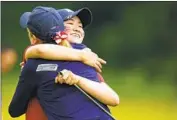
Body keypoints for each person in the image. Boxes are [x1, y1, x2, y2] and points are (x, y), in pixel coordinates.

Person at [9, 6, 119, 120]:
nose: (76, 28)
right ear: (58, 29)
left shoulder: (86, 58)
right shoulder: (85, 56)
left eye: (80, 26)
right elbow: (38, 51)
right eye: (70, 23)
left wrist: (77, 79)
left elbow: (113, 98)